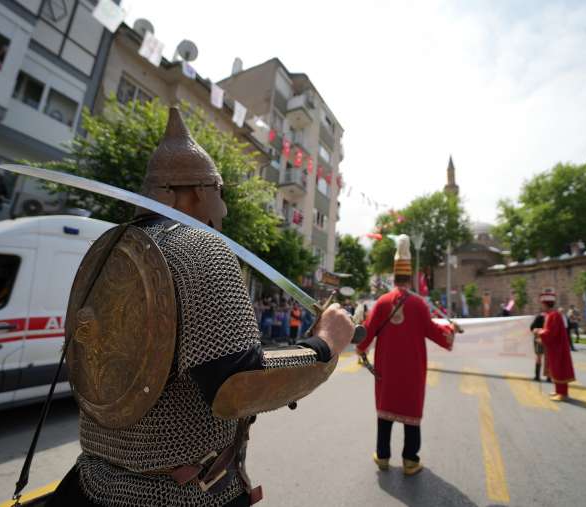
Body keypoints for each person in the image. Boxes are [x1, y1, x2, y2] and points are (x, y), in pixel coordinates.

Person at [45, 108, 355, 506]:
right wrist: (327, 342)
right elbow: (236, 386)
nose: (222, 209)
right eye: (218, 193)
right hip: (180, 495)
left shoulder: (104, 251)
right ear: (196, 192)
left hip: (90, 483)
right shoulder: (200, 248)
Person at [356, 234, 455, 476]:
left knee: (385, 412)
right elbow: (435, 332)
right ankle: (410, 461)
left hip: (387, 370)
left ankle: (382, 457)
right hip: (412, 371)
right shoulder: (419, 305)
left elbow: (364, 336)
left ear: (393, 275)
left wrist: (361, 350)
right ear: (410, 277)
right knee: (411, 414)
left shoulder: (381, 302)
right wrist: (450, 330)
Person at [534, 290, 575, 401]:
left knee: (559, 369)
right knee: (555, 369)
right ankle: (558, 391)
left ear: (545, 304)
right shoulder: (551, 315)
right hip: (555, 347)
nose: (541, 306)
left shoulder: (554, 316)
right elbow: (549, 331)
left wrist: (539, 332)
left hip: (558, 348)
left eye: (542, 304)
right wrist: (542, 331)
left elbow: (550, 333)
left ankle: (563, 393)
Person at [531, 311, 549, 382]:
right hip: (546, 338)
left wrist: (537, 330)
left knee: (539, 357)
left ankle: (537, 376)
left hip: (539, 338)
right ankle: (549, 377)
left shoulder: (539, 317)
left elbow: (532, 328)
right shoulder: (551, 317)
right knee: (547, 358)